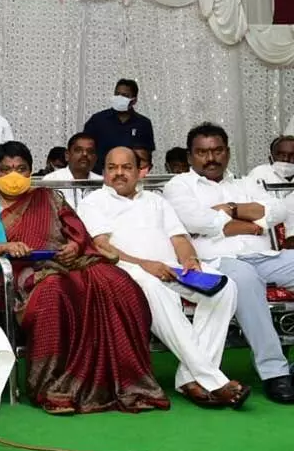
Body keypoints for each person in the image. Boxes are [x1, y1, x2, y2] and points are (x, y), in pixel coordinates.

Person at [0, 140, 169, 414]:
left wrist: (74, 247)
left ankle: (130, 382)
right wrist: (5, 247)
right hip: (19, 274)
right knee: (54, 290)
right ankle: (54, 389)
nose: (14, 175)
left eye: (21, 168)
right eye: (6, 169)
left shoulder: (46, 197)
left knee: (119, 282)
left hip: (67, 263)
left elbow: (79, 235)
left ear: (31, 171)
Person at [78, 147, 248, 408]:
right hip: (126, 270)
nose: (119, 173)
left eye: (126, 167)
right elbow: (102, 246)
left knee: (225, 287)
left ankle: (190, 377)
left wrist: (190, 259)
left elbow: (179, 238)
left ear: (139, 172)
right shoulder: (94, 201)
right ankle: (213, 381)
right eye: (112, 168)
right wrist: (144, 264)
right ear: (104, 172)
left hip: (170, 267)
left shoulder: (156, 201)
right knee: (155, 288)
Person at [162, 123, 294, 403]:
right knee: (244, 277)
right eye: (202, 152)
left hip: (263, 256)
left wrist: (230, 210)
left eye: (217, 150)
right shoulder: (178, 186)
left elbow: (279, 210)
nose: (211, 158)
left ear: (228, 152)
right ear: (189, 157)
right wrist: (248, 222)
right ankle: (275, 372)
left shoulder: (245, 183)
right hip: (216, 261)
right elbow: (195, 221)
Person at [83, 78, 155, 174]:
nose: (119, 98)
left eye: (125, 95)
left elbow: (145, 156)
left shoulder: (143, 123)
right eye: (117, 94)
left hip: (130, 176)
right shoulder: (98, 120)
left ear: (134, 100)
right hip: (100, 176)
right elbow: (86, 147)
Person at [247, 136, 294, 248]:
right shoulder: (259, 174)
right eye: (281, 154)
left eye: (293, 155)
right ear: (270, 158)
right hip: (266, 237)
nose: (286, 159)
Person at [42, 133, 101, 208]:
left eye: (90, 151)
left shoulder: (102, 184)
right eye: (78, 150)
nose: (85, 154)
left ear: (95, 158)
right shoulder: (51, 181)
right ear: (67, 155)